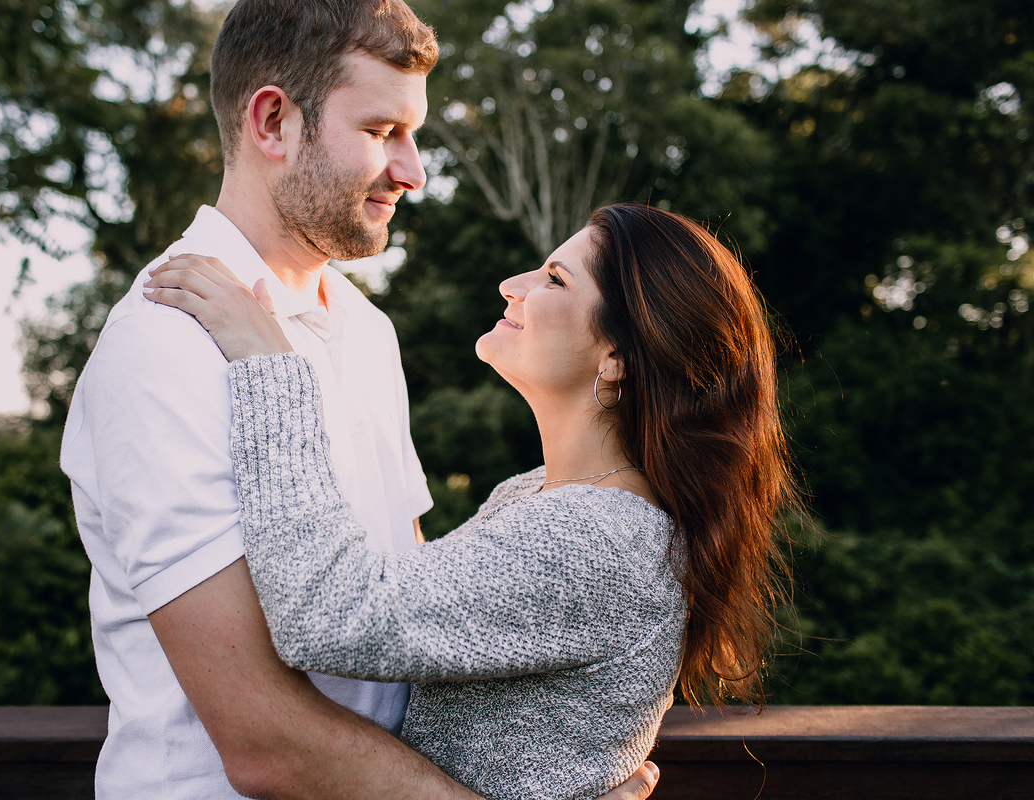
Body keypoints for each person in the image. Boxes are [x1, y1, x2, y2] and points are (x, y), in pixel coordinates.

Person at [60, 0, 661, 797]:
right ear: (272, 122)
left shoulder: (366, 328)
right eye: (383, 133)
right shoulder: (166, 341)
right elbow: (265, 741)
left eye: (413, 135)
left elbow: (404, 610)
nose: (413, 172)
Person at [142, 202, 799, 799]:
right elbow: (428, 618)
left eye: (555, 279)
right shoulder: (542, 498)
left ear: (616, 359)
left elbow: (332, 614)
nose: (514, 285)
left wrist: (271, 364)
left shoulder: (595, 537)